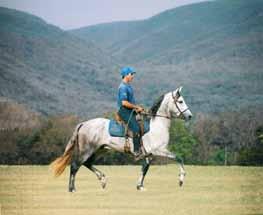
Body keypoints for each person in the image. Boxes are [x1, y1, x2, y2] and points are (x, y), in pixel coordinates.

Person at [117, 67, 144, 157]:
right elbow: (124, 103)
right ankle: (136, 152)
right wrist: (136, 107)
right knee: (136, 129)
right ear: (126, 75)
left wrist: (137, 109)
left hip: (130, 111)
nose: (133, 76)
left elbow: (131, 102)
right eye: (131, 74)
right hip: (124, 111)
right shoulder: (123, 87)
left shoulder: (129, 86)